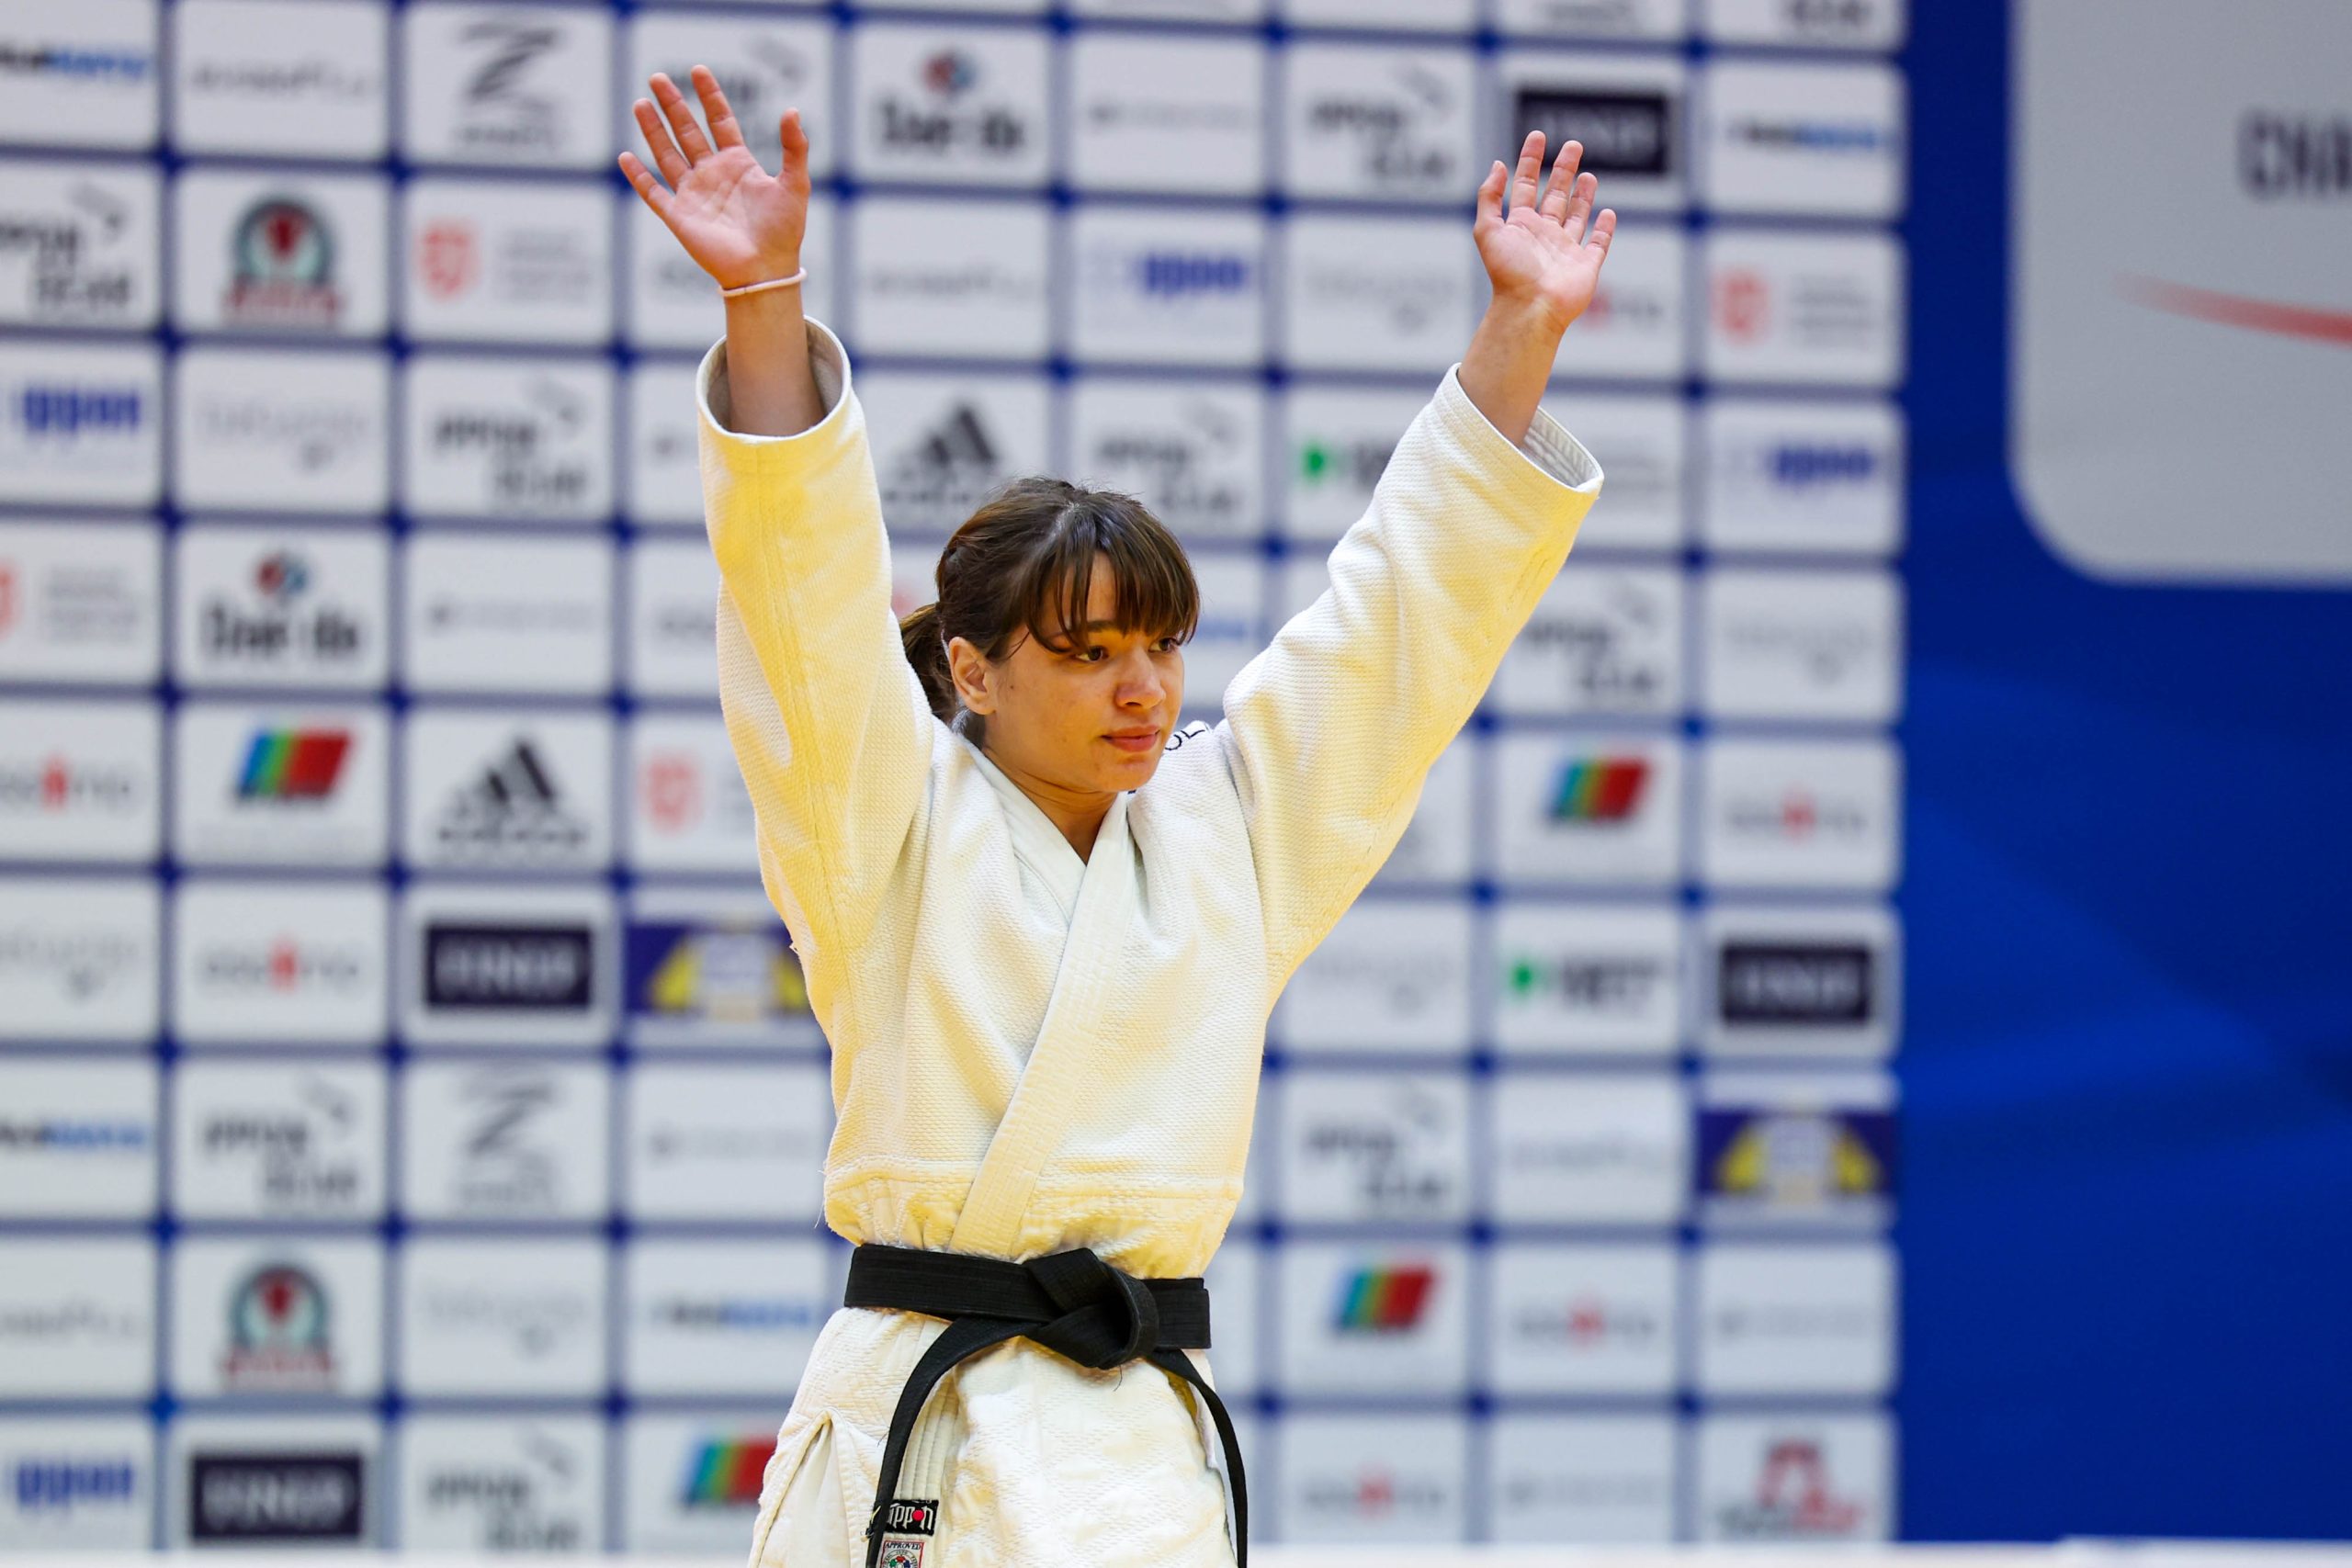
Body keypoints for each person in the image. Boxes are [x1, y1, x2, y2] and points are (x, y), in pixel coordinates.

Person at [621, 64, 1613, 1568]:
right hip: (923, 1435)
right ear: (972, 671)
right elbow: (801, 603)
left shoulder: (1233, 836)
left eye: (1161, 647)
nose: (1142, 690)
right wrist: (762, 298)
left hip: (1137, 1455)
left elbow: (1404, 622)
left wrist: (1525, 323)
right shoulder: (882, 828)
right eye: (1088, 654)